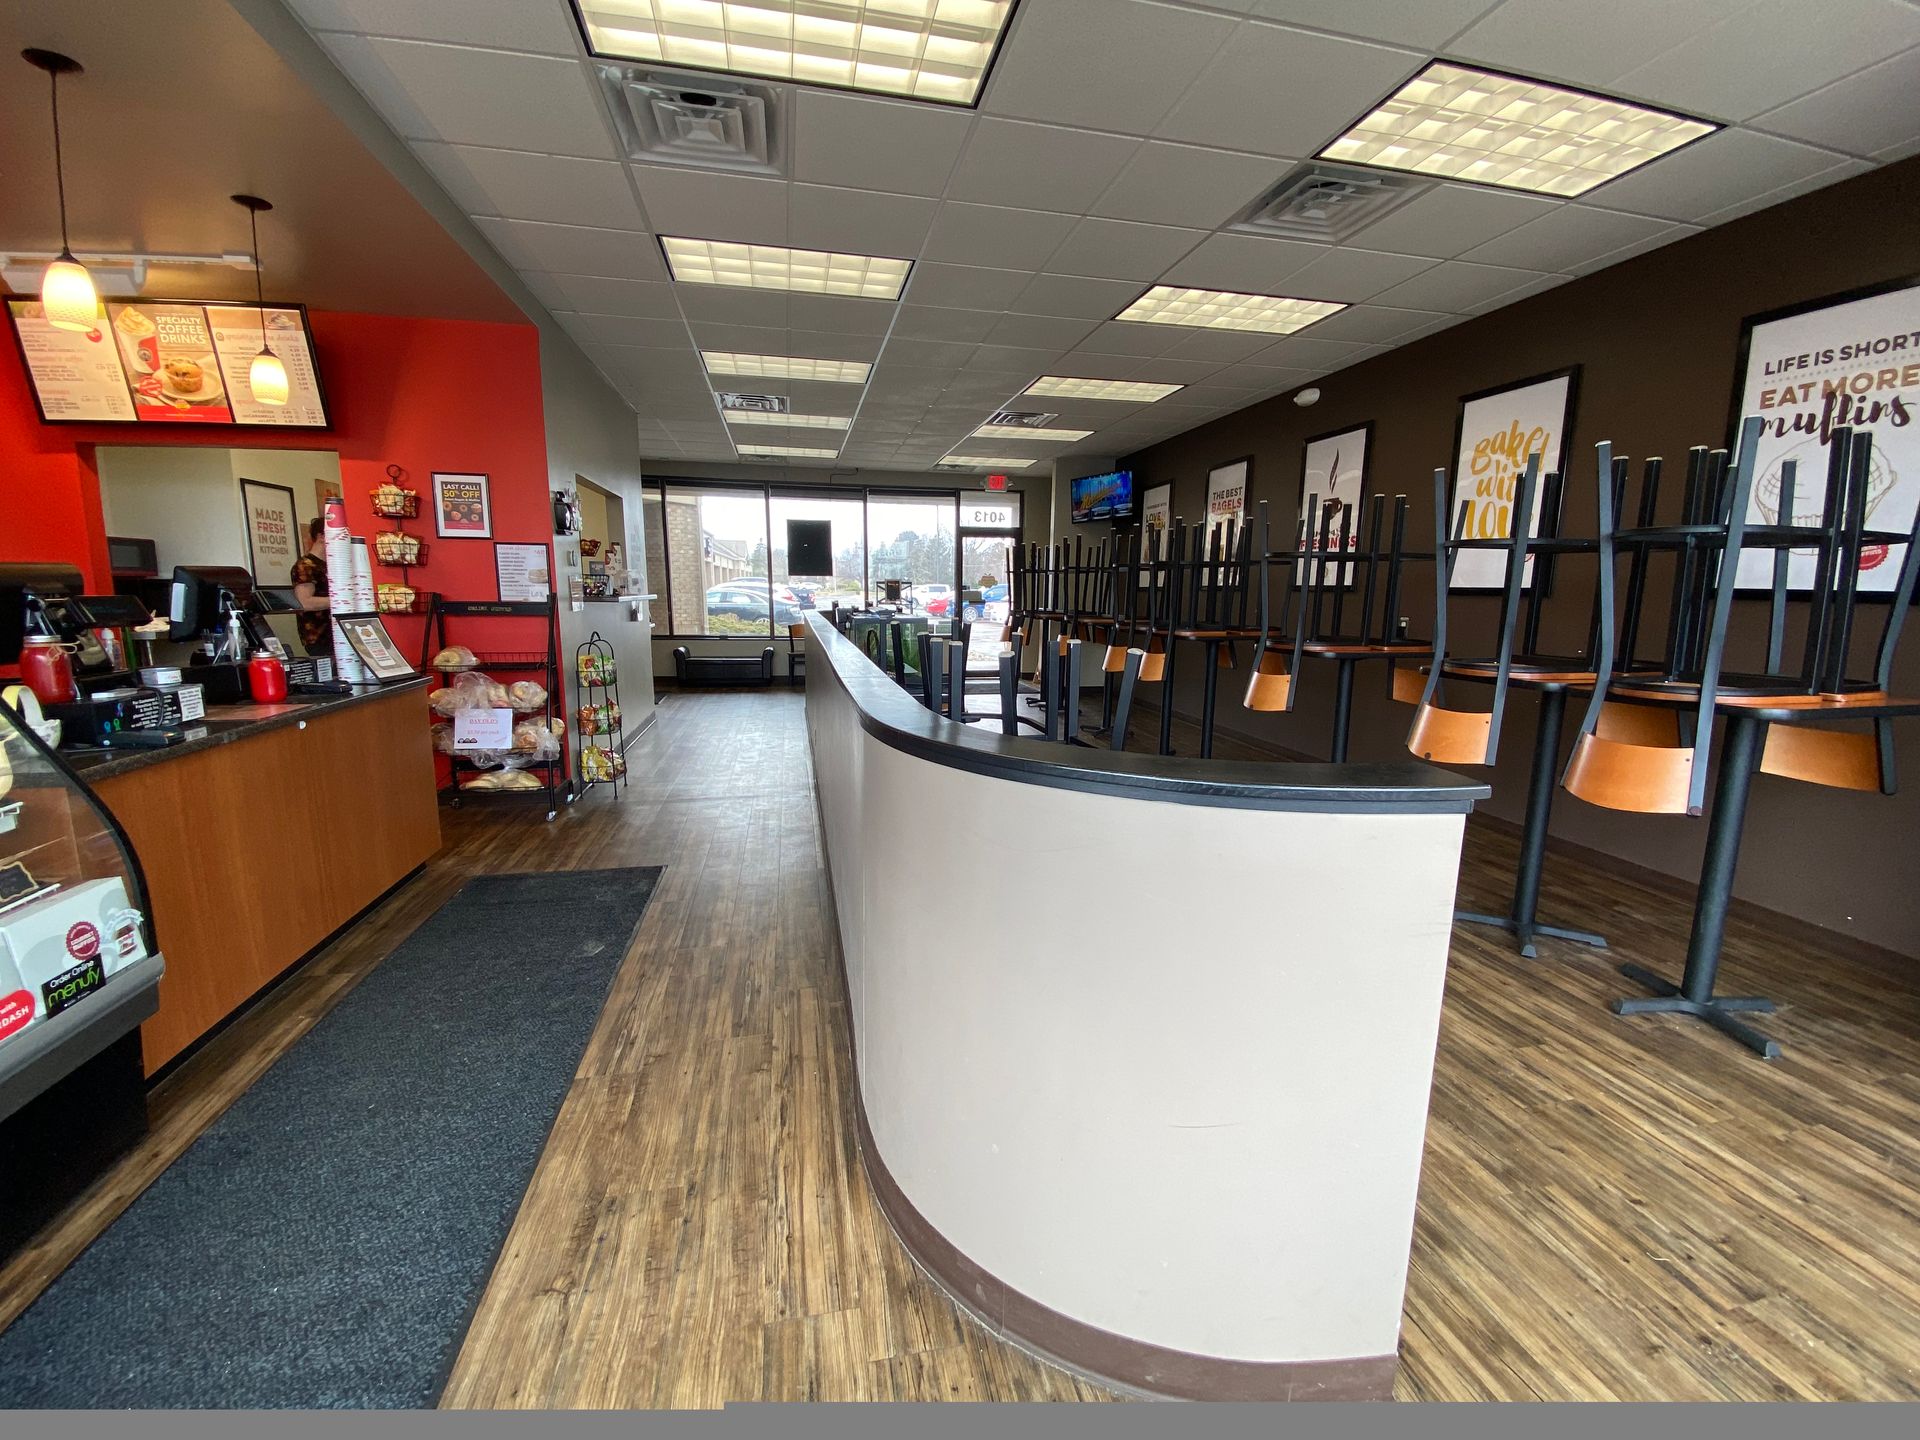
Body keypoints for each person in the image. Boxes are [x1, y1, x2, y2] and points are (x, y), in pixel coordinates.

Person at [290, 516, 331, 655]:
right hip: (319, 637)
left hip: (338, 634)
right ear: (321, 536)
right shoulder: (305, 566)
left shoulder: (332, 565)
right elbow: (305, 602)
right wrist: (341, 600)